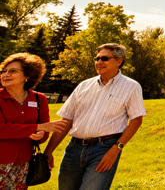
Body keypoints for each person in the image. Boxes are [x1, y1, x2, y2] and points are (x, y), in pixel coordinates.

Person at [44, 43, 146, 190]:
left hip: (104, 149)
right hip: (74, 149)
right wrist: (49, 151)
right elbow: (66, 120)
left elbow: (136, 120)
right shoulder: (84, 86)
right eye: (96, 58)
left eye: (104, 58)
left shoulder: (131, 86)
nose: (99, 62)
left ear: (119, 61)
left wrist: (115, 150)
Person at [0, 53, 68, 189]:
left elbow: (44, 131)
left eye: (13, 71)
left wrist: (40, 134)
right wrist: (37, 127)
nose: (5, 75)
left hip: (24, 163)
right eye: (3, 71)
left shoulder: (39, 99)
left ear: (27, 75)